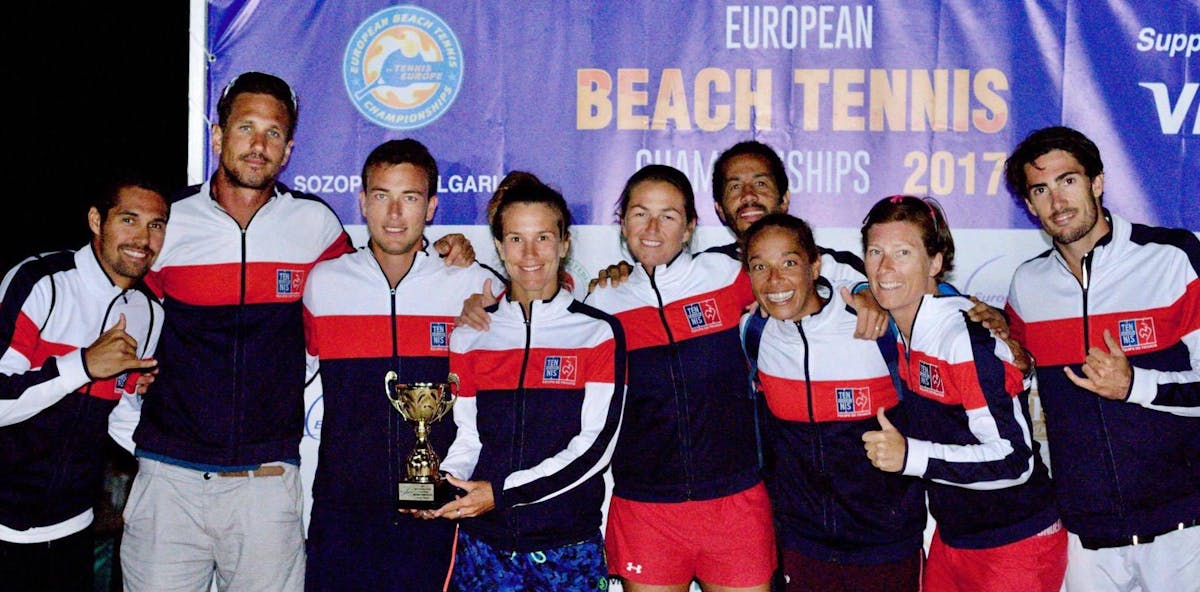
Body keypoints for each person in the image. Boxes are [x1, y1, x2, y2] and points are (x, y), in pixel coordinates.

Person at [118, 71, 356, 592]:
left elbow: (368, 291)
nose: (258, 144)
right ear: (218, 136)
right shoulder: (168, 222)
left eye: (273, 133)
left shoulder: (315, 224)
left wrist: (450, 260)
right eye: (245, 127)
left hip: (266, 485)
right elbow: (115, 311)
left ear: (289, 149)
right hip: (168, 482)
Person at [1002, 126, 1200, 591]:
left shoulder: (1173, 259)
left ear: (1097, 182)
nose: (1058, 201)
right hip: (1087, 538)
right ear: (1030, 206)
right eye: (1041, 189)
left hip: (1184, 530)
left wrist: (1136, 386)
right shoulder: (1027, 287)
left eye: (1068, 181)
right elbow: (1018, 383)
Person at [301, 138, 502, 591]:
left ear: (430, 207)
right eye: (381, 197)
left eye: (409, 198)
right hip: (344, 511)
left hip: (437, 510)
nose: (395, 214)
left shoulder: (471, 282)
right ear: (362, 203)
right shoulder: (324, 283)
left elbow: (547, 293)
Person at [426, 175, 626, 591]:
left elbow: (596, 447)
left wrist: (501, 493)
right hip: (486, 544)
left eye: (543, 238)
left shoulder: (598, 333)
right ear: (499, 246)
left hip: (567, 547)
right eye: (516, 239)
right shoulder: (470, 335)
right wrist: (440, 485)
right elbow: (469, 438)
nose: (530, 253)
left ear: (565, 244)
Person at [859, 195, 1066, 592]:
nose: (885, 268)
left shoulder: (961, 338)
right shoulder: (906, 330)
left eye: (903, 252)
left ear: (935, 262)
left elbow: (1013, 459)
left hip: (1014, 541)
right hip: (955, 538)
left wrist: (910, 456)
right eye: (875, 252)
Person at [585, 164, 776, 592]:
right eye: (639, 213)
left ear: (689, 227)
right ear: (622, 222)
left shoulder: (729, 277)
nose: (652, 227)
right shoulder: (601, 303)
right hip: (647, 509)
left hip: (734, 503)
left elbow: (804, 278)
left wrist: (861, 294)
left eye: (668, 215)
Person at [740, 213, 926, 592]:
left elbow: (943, 312)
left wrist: (992, 322)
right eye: (760, 266)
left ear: (815, 266)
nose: (774, 280)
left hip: (886, 543)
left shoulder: (874, 323)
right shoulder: (754, 333)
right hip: (803, 546)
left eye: (789, 263)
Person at [0, 175, 168, 591]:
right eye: (129, 219)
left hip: (74, 529)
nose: (142, 238)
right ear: (97, 220)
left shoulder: (149, 312)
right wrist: (82, 365)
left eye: (156, 225)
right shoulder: (41, 281)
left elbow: (120, 415)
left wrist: (180, 464)